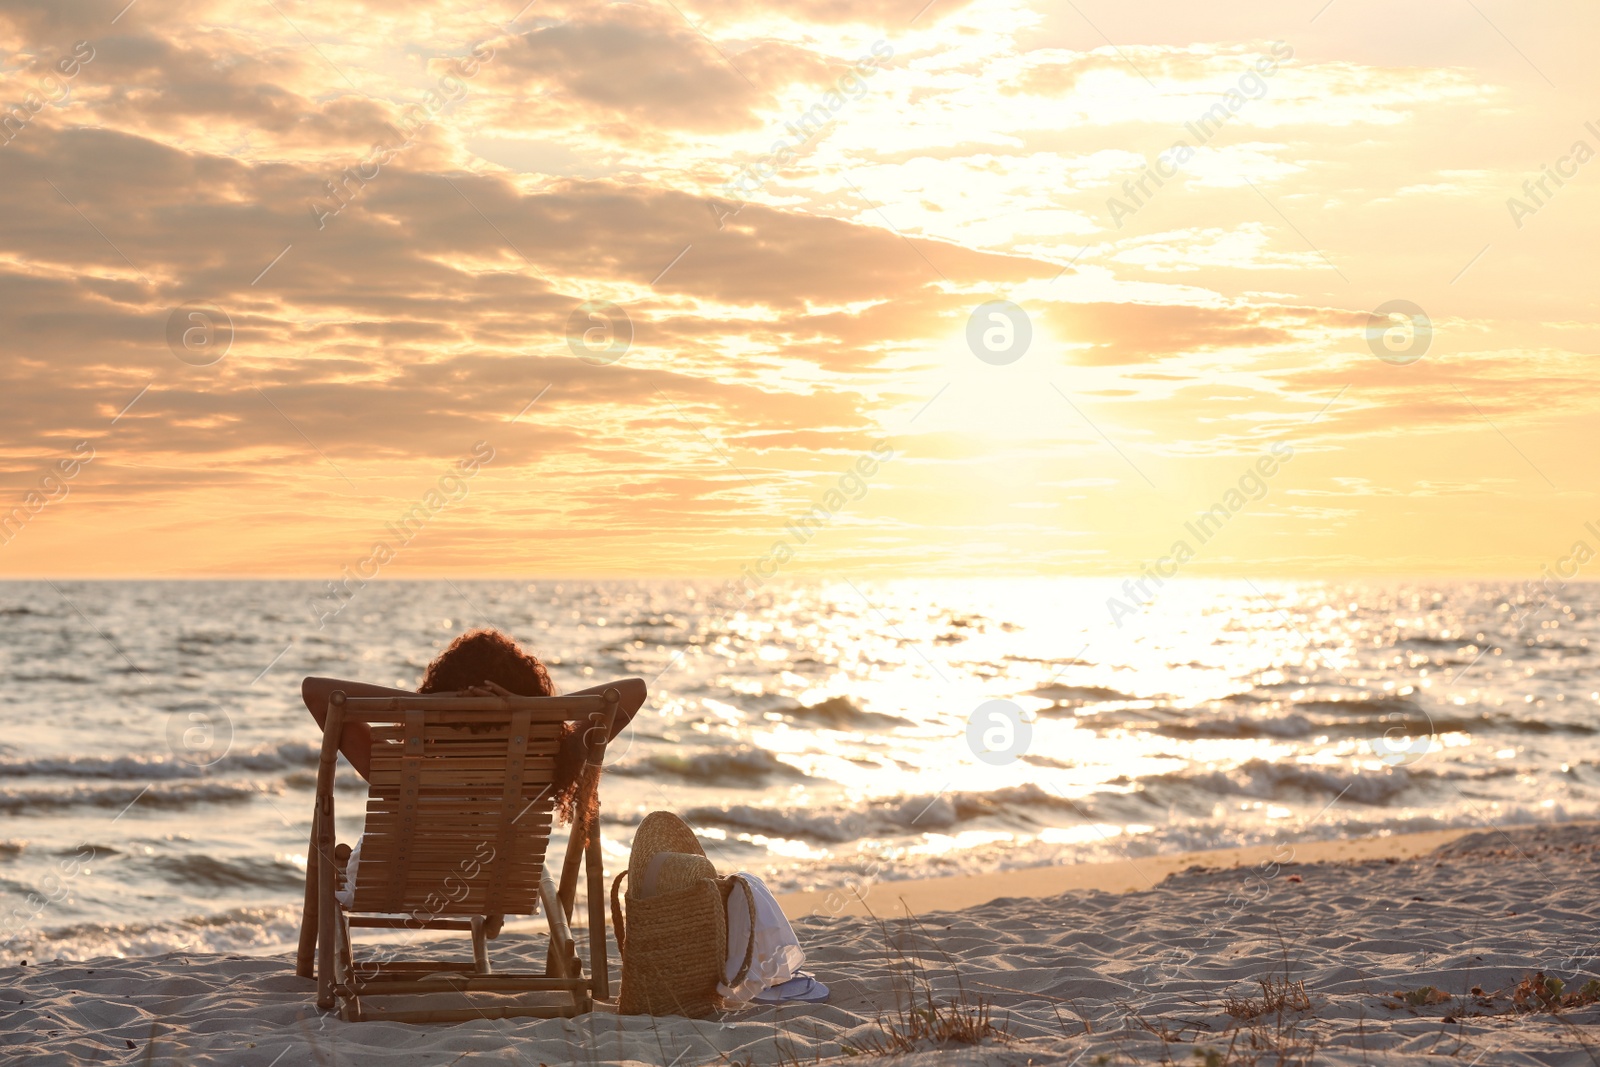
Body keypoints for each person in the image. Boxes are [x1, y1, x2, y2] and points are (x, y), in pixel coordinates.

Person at [302, 628, 646, 825]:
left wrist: (426, 705)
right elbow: (633, 692)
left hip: (402, 883)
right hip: (504, 885)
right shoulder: (548, 764)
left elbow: (316, 691)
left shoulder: (405, 777)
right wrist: (529, 710)